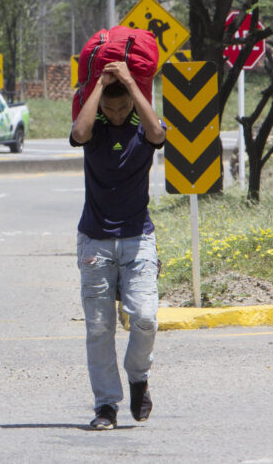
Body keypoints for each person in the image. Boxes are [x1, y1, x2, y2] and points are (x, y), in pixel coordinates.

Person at [70, 61, 166, 430]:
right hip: (95, 239)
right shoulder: (92, 133)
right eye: (109, 110)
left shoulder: (143, 134)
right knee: (98, 328)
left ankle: (138, 377)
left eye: (122, 108)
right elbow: (79, 131)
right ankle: (105, 405)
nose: (115, 114)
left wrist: (129, 82)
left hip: (137, 238)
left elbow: (157, 132)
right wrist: (99, 84)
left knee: (145, 317)